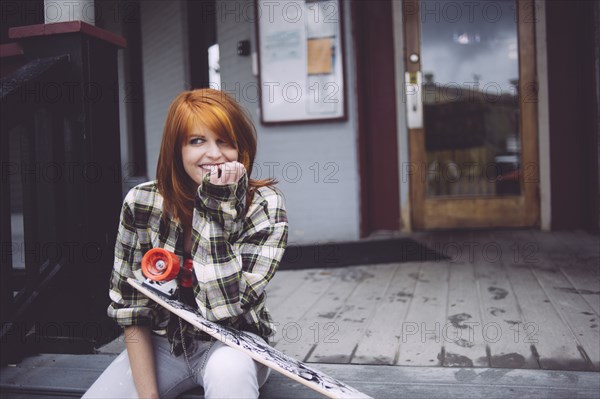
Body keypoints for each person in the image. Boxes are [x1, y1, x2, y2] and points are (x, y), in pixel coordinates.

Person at [83, 89, 288, 399]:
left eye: (224, 141)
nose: (214, 154)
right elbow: (131, 308)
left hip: (236, 344)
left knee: (228, 371)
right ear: (175, 149)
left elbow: (226, 308)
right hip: (164, 346)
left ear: (240, 147)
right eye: (197, 141)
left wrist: (214, 206)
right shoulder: (142, 203)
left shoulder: (264, 206)